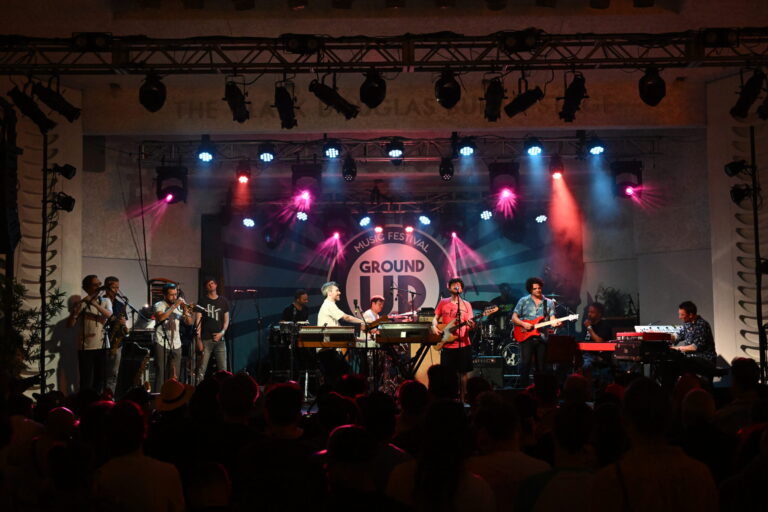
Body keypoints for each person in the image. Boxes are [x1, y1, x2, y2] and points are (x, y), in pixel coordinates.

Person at [431, 277, 475, 400]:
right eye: (454, 285)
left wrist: (471, 325)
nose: (457, 287)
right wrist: (434, 326)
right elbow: (435, 317)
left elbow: (470, 322)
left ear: (462, 289)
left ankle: (463, 398)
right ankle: (449, 399)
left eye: (459, 285)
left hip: (464, 343)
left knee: (463, 372)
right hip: (447, 344)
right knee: (447, 375)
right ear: (449, 288)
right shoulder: (443, 302)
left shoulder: (467, 305)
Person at [67, 274, 113, 393]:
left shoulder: (106, 301)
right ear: (87, 288)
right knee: (86, 379)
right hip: (86, 346)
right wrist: (75, 313)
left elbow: (110, 316)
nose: (99, 286)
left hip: (102, 344)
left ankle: (98, 402)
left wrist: (94, 304)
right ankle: (85, 403)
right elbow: (71, 324)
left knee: (100, 378)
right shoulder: (82, 303)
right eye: (95, 285)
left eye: (99, 284)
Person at [512, 277, 560, 387]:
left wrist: (555, 322)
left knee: (541, 367)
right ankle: (524, 389)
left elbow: (552, 318)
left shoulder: (548, 303)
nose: (538, 290)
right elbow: (514, 317)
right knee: (525, 365)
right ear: (530, 290)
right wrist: (524, 324)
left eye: (539, 288)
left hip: (542, 337)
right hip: (525, 336)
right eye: (535, 288)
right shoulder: (523, 301)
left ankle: (540, 390)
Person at [316, 281, 365, 387]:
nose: (340, 292)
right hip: (327, 349)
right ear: (329, 293)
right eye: (337, 290)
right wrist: (363, 322)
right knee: (342, 373)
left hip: (329, 348)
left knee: (339, 375)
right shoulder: (329, 305)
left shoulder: (330, 305)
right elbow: (346, 317)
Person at [154, 283, 194, 390]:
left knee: (175, 375)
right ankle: (158, 399)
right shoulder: (159, 305)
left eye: (176, 294)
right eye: (171, 295)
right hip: (161, 342)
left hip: (176, 344)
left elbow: (189, 323)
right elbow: (161, 318)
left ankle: (173, 399)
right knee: (161, 374)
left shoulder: (179, 307)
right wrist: (174, 306)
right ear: (165, 295)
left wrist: (186, 311)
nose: (174, 297)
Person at [195, 276, 230, 381]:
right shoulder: (202, 301)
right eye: (208, 284)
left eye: (212, 283)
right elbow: (198, 321)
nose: (211, 285)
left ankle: (223, 392)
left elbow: (226, 320)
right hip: (206, 339)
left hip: (220, 340)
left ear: (216, 285)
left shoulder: (223, 301)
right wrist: (198, 340)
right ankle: (198, 392)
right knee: (201, 369)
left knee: (223, 370)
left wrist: (222, 333)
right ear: (206, 287)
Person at [671, 301, 716, 374]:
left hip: (704, 360)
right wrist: (663, 337)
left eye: (682, 315)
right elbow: (677, 336)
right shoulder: (688, 324)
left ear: (690, 315)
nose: (679, 317)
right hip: (692, 359)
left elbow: (695, 347)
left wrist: (676, 349)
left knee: (676, 365)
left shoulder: (702, 325)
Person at [103, 276, 127, 394]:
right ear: (107, 287)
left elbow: (123, 323)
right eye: (113, 287)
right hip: (103, 341)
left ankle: (110, 396)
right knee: (102, 372)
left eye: (117, 287)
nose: (116, 290)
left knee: (114, 373)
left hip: (116, 343)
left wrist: (123, 323)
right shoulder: (100, 301)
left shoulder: (120, 305)